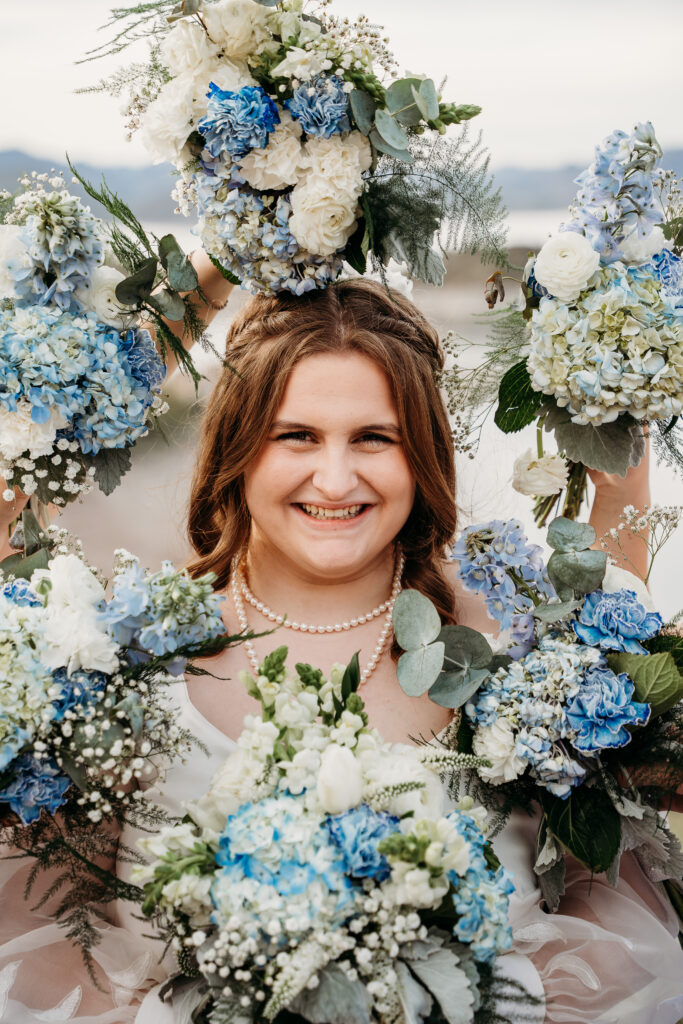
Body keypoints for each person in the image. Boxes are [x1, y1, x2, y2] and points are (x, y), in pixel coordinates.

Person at [0, 272, 681, 1024]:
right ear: (237, 445)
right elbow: (15, 474)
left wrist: (590, 320)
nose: (334, 477)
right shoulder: (125, 668)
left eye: (373, 438)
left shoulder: (521, 653)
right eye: (295, 435)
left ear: (419, 452)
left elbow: (617, 534)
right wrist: (219, 265)